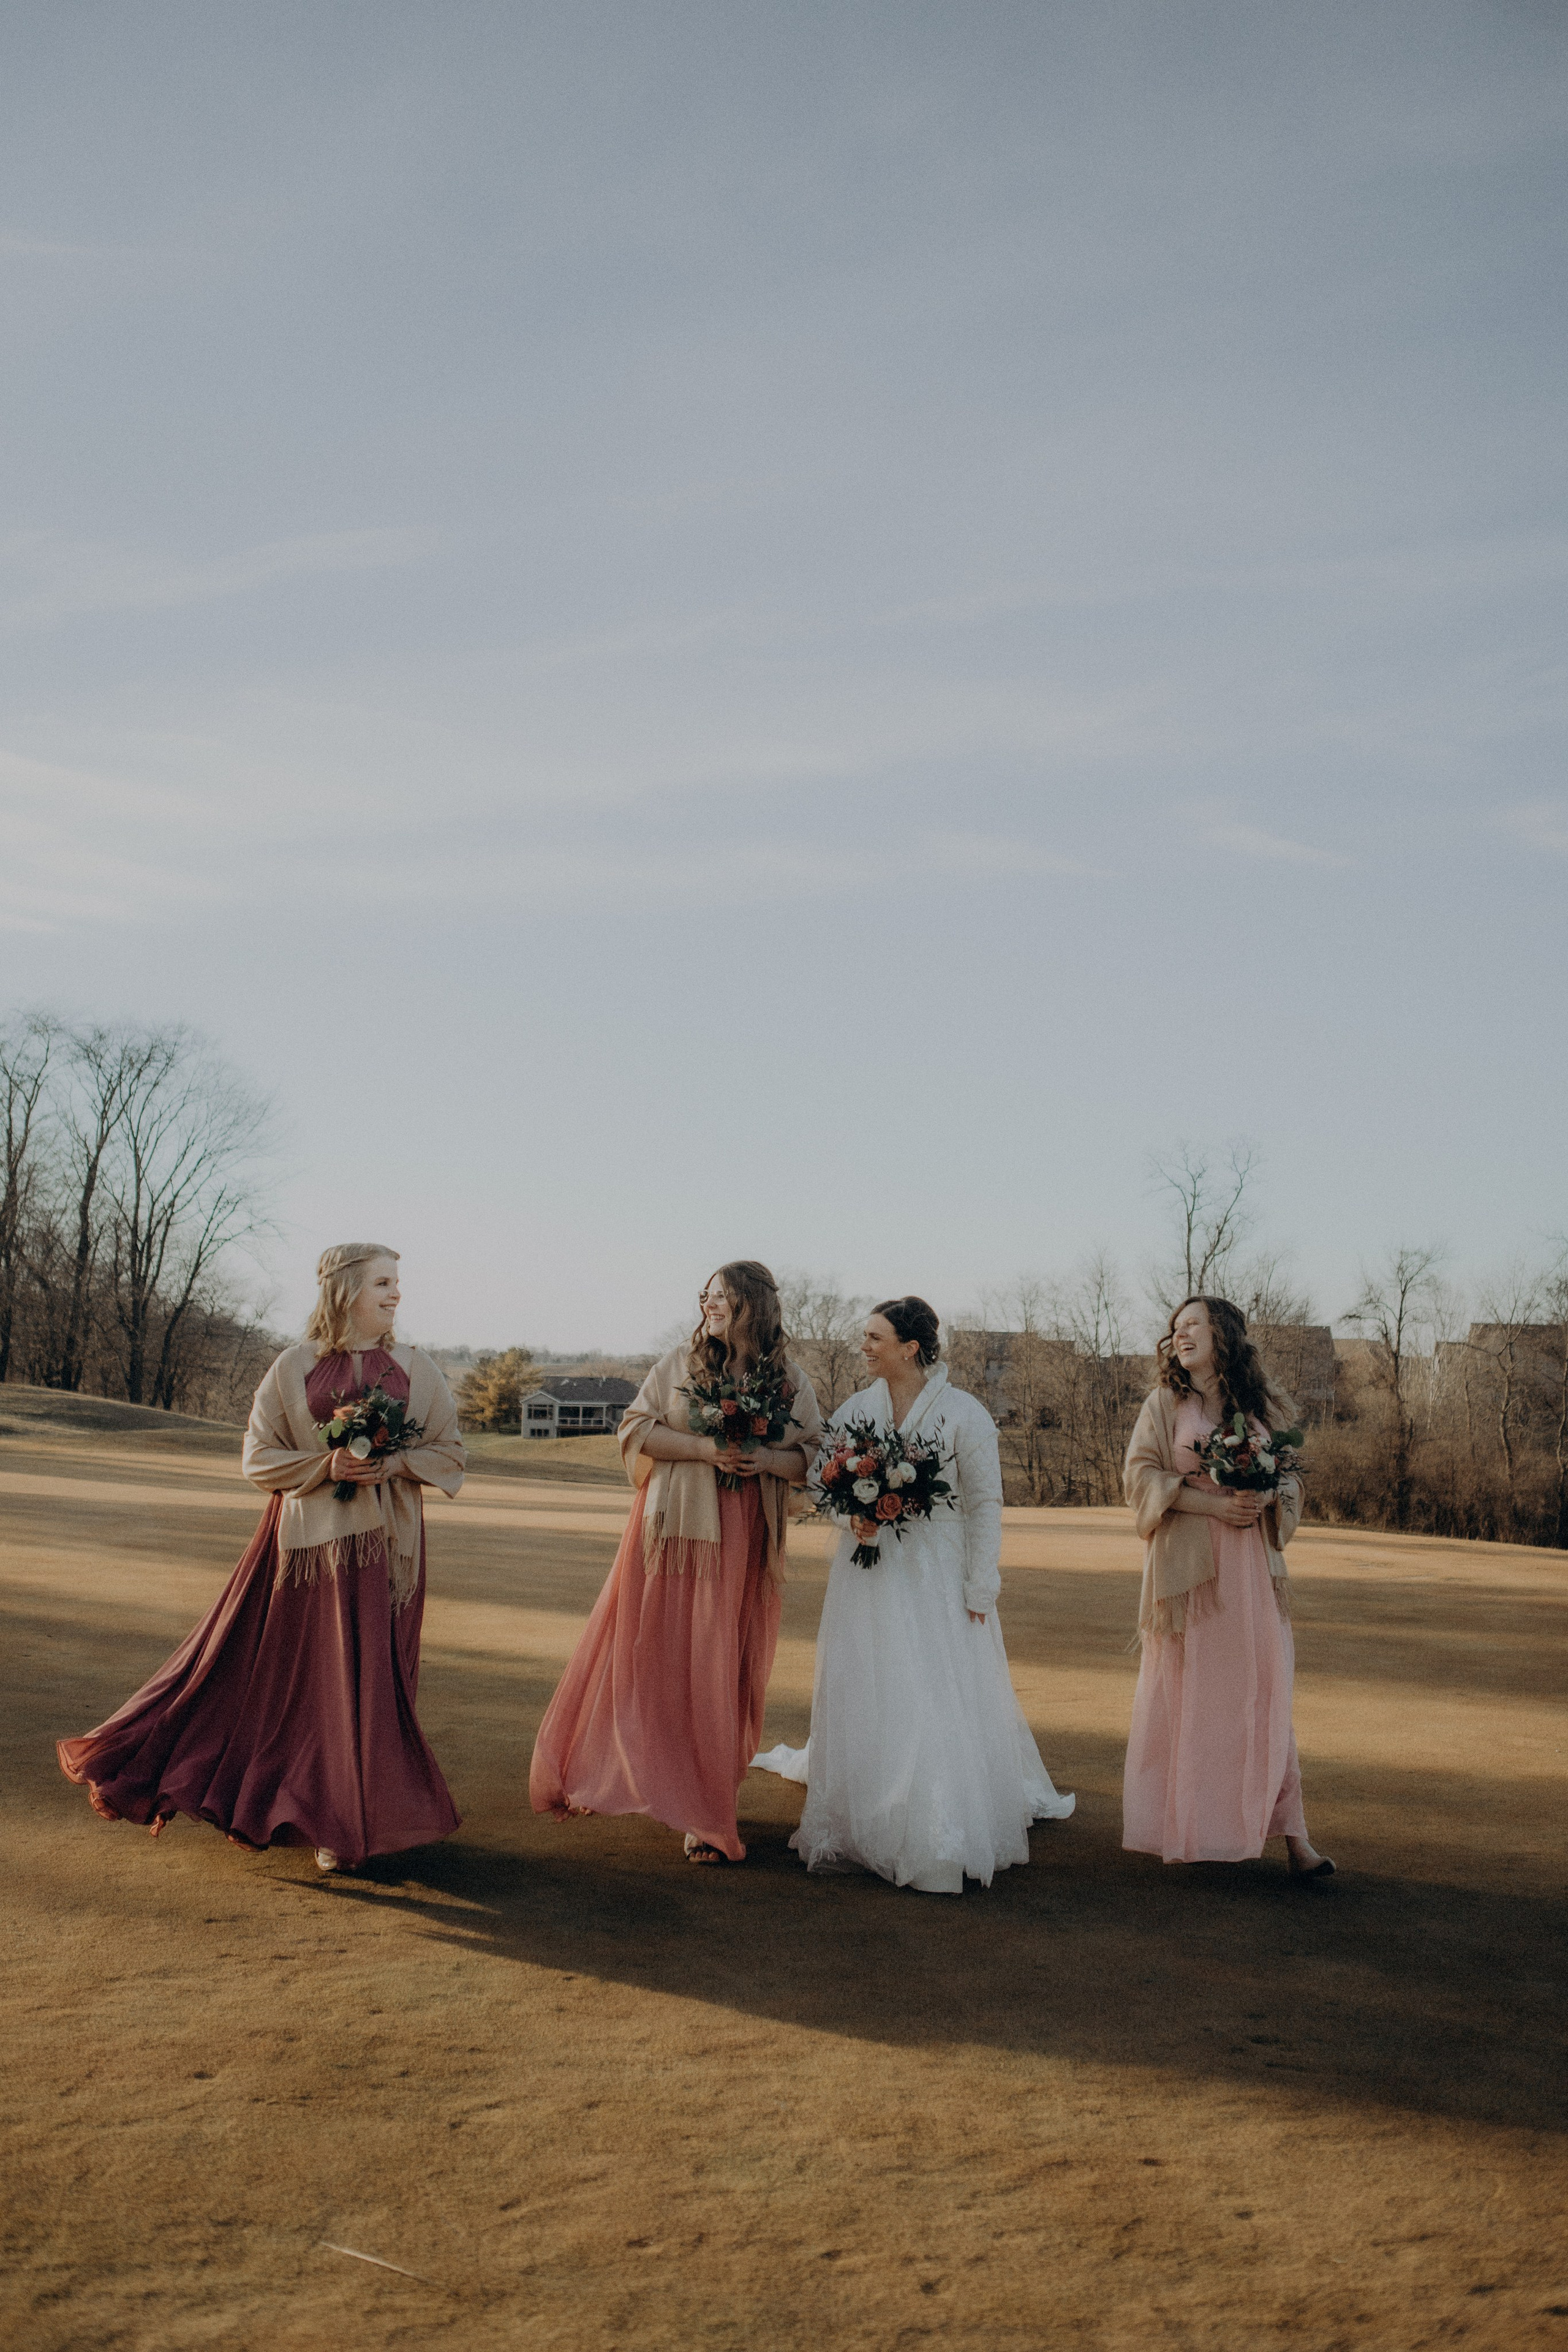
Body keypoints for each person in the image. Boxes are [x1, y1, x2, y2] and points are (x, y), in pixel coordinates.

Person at [58, 1243, 465, 1874]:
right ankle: (326, 1821)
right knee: (320, 1687)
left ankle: (357, 1816)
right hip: (311, 1553)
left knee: (379, 1686)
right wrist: (326, 1463)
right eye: (382, 1283)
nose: (395, 1294)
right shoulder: (293, 1366)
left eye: (396, 1282)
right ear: (344, 1291)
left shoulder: (416, 1367)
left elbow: (450, 1450)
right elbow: (258, 1458)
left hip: (391, 1553)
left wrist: (395, 1462)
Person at [755, 1297, 1074, 1894]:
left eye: (875, 1337)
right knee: (871, 1678)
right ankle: (868, 1812)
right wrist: (852, 1518)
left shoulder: (964, 1414)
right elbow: (825, 1489)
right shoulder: (856, 1409)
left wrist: (982, 1582)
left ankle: (935, 1826)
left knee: (931, 1684)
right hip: (867, 1570)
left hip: (936, 1572)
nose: (864, 1346)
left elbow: (984, 1503)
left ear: (910, 1347)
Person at [530, 1261, 821, 1864]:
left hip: (742, 1540)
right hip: (671, 1538)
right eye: (705, 1296)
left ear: (750, 1305)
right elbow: (635, 1430)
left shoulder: (789, 1380)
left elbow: (812, 1456)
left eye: (719, 1297)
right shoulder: (679, 1366)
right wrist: (703, 1449)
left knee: (720, 1669)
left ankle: (709, 1814)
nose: (707, 1306)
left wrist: (764, 1460)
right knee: (663, 1664)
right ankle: (656, 1782)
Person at [1121, 1294, 1334, 1877]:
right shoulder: (1165, 1403)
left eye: (1193, 1324)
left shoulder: (1264, 1404)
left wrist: (1265, 1494)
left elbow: (1292, 1484)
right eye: (1175, 1327)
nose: (1180, 1334)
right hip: (1190, 1572)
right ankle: (1193, 1830)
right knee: (1195, 1699)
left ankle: (1295, 1838)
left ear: (1224, 1334)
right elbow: (1139, 1479)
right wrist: (1208, 1506)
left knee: (1263, 1696)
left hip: (1253, 1572)